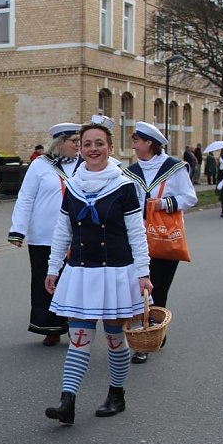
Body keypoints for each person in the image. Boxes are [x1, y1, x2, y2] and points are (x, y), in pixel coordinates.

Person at [43, 116, 152, 426]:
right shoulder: (73, 187)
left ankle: (116, 395)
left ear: (110, 148)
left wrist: (143, 273)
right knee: (79, 338)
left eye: (99, 144)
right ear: (80, 149)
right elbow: (62, 232)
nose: (92, 149)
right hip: (80, 272)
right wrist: (54, 269)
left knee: (116, 338)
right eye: (86, 144)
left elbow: (136, 233)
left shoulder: (125, 186)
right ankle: (68, 402)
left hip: (116, 273)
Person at [123, 122, 197, 363]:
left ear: (149, 143)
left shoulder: (174, 168)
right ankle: (142, 335)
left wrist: (164, 204)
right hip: (137, 239)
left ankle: (151, 336)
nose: (133, 145)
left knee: (158, 288)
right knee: (138, 288)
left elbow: (190, 197)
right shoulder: (131, 170)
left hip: (165, 238)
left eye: (136, 141)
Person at [8, 123, 83, 346]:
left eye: (80, 141)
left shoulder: (85, 165)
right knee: (46, 282)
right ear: (60, 143)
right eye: (74, 141)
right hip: (44, 235)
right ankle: (50, 327)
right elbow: (25, 198)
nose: (78, 145)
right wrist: (18, 229)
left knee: (76, 282)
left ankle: (76, 327)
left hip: (77, 236)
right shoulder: (40, 166)